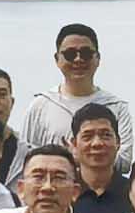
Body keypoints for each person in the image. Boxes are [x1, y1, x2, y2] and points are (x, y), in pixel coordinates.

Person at [19, 22, 119, 161]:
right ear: (57, 59)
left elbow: (125, 160)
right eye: (70, 54)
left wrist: (83, 156)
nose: (78, 59)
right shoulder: (40, 106)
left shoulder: (116, 106)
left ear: (98, 58)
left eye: (86, 53)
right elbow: (25, 156)